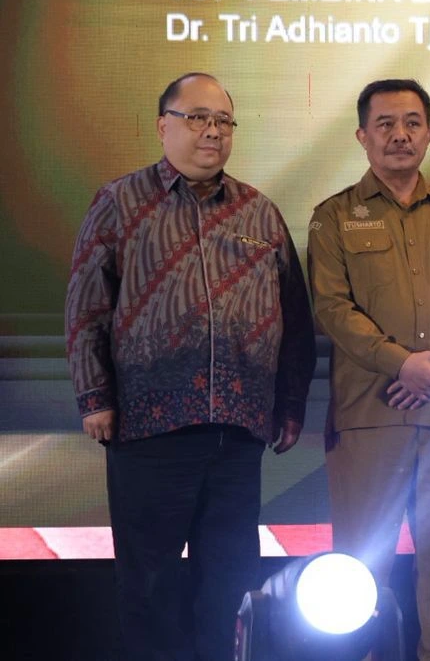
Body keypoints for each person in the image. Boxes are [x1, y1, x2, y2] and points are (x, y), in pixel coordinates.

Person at [65, 72, 315, 661]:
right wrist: (94, 396)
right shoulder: (120, 203)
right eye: (197, 118)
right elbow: (86, 305)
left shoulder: (259, 212)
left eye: (223, 121)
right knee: (149, 584)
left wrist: (289, 405)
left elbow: (295, 318)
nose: (212, 131)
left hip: (238, 429)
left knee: (229, 580)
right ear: (163, 126)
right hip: (150, 429)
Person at [308, 78, 430, 661]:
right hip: (369, 417)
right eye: (386, 124)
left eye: (412, 123)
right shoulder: (333, 217)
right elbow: (331, 308)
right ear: (362, 136)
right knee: (360, 572)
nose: (400, 135)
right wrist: (403, 364)